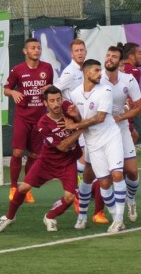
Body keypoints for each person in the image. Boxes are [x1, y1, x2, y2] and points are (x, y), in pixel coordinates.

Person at [0, 86, 84, 233]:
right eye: (52, 101)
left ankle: (50, 217)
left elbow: (81, 121)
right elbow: (62, 146)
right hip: (47, 161)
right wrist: (80, 128)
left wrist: (77, 120)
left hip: (67, 163)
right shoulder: (43, 124)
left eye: (58, 99)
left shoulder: (68, 108)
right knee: (23, 188)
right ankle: (9, 217)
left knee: (69, 197)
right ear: (45, 104)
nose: (56, 104)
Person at [66, 59, 127, 233]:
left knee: (117, 174)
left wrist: (75, 125)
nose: (100, 73)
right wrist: (74, 118)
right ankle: (112, 216)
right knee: (104, 182)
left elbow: (100, 117)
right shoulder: (75, 94)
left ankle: (119, 219)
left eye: (100, 70)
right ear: (86, 73)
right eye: (96, 70)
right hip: (92, 142)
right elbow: (80, 118)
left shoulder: (105, 89)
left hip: (110, 137)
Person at [4, 38, 54, 203]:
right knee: (18, 152)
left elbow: (51, 89)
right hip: (23, 117)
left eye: (39, 48)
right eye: (33, 48)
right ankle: (13, 186)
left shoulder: (47, 68)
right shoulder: (18, 70)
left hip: (40, 119)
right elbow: (6, 89)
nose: (37, 50)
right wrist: (13, 93)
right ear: (25, 51)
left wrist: (49, 89)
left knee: (34, 155)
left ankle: (26, 188)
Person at [101, 46, 141, 223]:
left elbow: (139, 107)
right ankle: (108, 215)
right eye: (108, 55)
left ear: (120, 62)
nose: (110, 58)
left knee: (132, 171)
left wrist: (121, 117)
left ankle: (131, 200)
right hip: (101, 131)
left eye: (114, 56)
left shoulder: (129, 79)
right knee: (104, 178)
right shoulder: (97, 78)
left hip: (122, 128)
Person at [54, 39, 88, 185]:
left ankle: (82, 183)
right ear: (71, 54)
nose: (80, 53)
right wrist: (66, 108)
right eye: (76, 51)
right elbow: (55, 91)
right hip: (76, 119)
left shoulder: (86, 68)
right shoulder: (69, 72)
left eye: (82, 50)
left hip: (86, 116)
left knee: (88, 154)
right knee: (85, 155)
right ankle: (73, 178)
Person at [121, 42, 141, 144]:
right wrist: (140, 103)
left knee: (133, 137)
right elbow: (127, 93)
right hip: (122, 114)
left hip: (120, 112)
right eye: (139, 53)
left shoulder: (120, 69)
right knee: (132, 138)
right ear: (131, 56)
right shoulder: (134, 71)